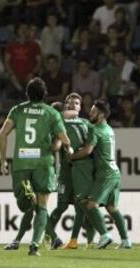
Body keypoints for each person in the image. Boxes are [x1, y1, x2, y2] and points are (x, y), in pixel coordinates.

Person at [0, 77, 72, 256]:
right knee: (42, 206)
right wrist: (68, 148)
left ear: (27, 94)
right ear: (45, 94)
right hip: (43, 164)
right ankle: (34, 246)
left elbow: (2, 134)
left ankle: (27, 197)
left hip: (22, 163)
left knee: (25, 205)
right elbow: (64, 139)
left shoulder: (17, 110)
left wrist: (2, 160)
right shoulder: (51, 113)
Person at [70, 100, 131, 249]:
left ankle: (104, 235)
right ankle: (125, 240)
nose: (90, 113)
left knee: (91, 205)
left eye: (93, 111)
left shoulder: (95, 129)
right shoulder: (109, 129)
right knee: (111, 208)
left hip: (105, 173)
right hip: (115, 172)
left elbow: (87, 150)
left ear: (101, 114)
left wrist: (72, 156)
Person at [45, 93, 95, 250]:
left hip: (82, 173)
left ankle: (89, 241)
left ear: (81, 107)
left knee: (85, 208)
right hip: (66, 174)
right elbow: (55, 146)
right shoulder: (59, 122)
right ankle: (48, 238)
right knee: (61, 206)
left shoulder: (86, 123)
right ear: (65, 105)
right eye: (70, 103)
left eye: (77, 103)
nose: (73, 105)